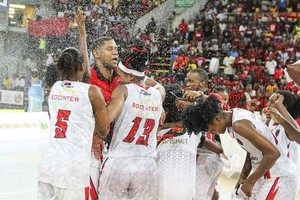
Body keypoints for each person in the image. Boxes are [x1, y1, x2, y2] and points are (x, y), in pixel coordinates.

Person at [38, 20, 110, 200]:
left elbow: (80, 79)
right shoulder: (92, 92)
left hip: (49, 162)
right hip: (73, 166)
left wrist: (82, 36)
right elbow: (104, 130)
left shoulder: (54, 89)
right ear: (82, 66)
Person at [183, 95, 298, 199]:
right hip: (266, 175)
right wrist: (242, 179)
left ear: (217, 118)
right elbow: (251, 152)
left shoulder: (239, 125)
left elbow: (273, 153)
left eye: (212, 129)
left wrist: (250, 182)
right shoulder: (233, 117)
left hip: (280, 176)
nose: (215, 133)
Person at [98, 41, 165, 200]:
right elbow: (159, 87)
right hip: (147, 164)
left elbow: (105, 122)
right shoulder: (158, 95)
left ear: (130, 76)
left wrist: (97, 102)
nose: (118, 79)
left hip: (120, 161)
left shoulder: (122, 90)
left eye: (121, 75)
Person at [156, 84, 222, 200]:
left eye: (188, 100)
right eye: (183, 99)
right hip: (168, 184)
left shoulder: (194, 128)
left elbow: (218, 108)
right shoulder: (162, 125)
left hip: (182, 184)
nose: (185, 103)